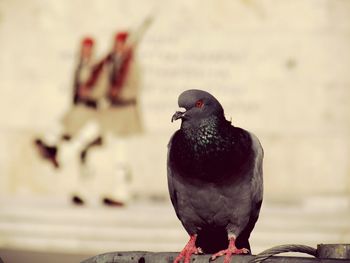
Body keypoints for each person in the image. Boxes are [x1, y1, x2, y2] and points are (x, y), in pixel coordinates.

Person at [34, 36, 101, 169]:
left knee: (80, 140)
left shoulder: (96, 68)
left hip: (88, 109)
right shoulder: (80, 65)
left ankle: (57, 155)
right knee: (66, 133)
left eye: (88, 49)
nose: (85, 52)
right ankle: (51, 148)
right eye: (83, 49)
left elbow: (99, 89)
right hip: (78, 108)